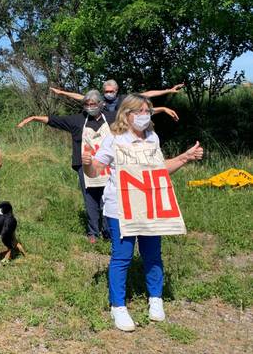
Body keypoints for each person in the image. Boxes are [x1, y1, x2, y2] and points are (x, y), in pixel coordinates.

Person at [82, 94, 203, 332]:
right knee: (122, 256)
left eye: (147, 110)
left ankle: (155, 300)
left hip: (149, 206)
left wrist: (184, 158)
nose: (144, 115)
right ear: (126, 114)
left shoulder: (152, 138)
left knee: (152, 254)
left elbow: (160, 170)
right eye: (138, 111)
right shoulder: (113, 139)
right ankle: (118, 306)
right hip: (120, 208)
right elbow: (95, 170)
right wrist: (87, 162)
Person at [17, 90, 115, 242]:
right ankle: (93, 233)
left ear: (100, 104)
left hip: (107, 165)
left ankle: (109, 232)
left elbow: (131, 115)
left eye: (93, 104)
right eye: (87, 104)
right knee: (90, 199)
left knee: (108, 199)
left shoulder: (111, 118)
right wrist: (34, 118)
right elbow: (54, 120)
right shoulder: (77, 120)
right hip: (85, 165)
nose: (90, 107)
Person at [51, 79, 184, 114]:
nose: (109, 93)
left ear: (116, 90)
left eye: (111, 91)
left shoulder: (124, 99)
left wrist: (168, 90)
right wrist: (62, 92)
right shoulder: (100, 99)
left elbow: (146, 94)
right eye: (106, 91)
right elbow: (81, 97)